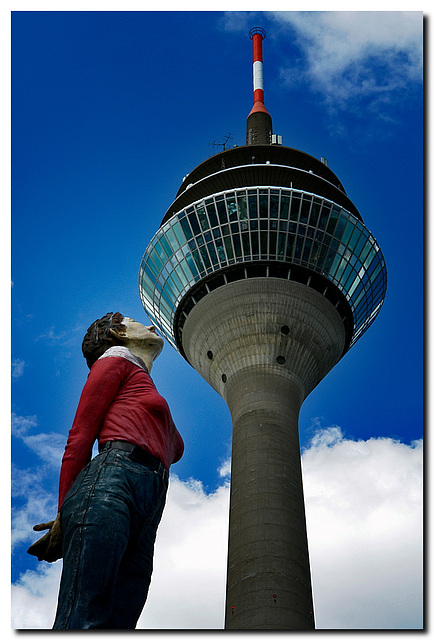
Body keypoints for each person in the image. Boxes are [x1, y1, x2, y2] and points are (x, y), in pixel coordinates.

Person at [27, 312, 184, 629]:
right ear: (119, 334)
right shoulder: (113, 363)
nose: (151, 326)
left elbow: (175, 449)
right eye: (137, 321)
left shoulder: (141, 381)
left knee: (120, 622)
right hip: (113, 479)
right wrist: (63, 513)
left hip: (150, 498)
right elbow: (79, 438)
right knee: (85, 615)